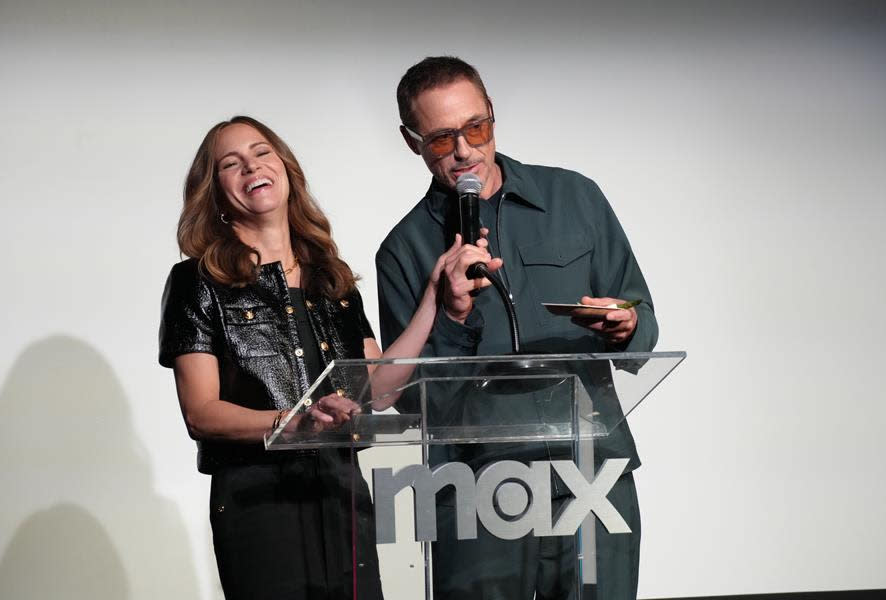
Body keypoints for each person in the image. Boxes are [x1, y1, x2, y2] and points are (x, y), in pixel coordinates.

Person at [158, 116, 484, 600]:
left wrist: (433, 300)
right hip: (258, 499)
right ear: (215, 191)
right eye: (231, 163)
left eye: (262, 152)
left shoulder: (332, 280)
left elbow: (381, 389)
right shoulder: (196, 283)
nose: (251, 165)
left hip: (342, 489)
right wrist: (292, 423)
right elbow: (201, 413)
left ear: (286, 168)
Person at [376, 57, 659, 599]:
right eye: (440, 139)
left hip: (591, 475)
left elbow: (641, 321)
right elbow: (409, 401)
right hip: (477, 489)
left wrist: (624, 327)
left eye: (475, 128)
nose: (464, 151)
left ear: (493, 119)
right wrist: (453, 314)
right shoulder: (404, 249)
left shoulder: (575, 198)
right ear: (412, 142)